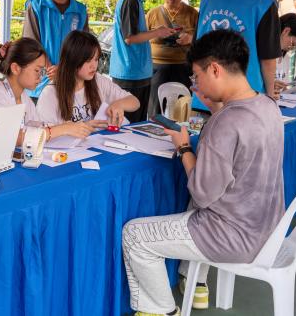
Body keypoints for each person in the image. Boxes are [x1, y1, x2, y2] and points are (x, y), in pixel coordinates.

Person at [122, 30, 285, 316]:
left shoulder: (224, 123)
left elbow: (202, 193)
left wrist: (184, 146)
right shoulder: (267, 106)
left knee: (135, 235)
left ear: (215, 69)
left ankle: (162, 310)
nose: (196, 85)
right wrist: (215, 106)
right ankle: (195, 282)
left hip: (233, 236)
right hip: (268, 227)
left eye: (197, 76)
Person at [194, 0, 282, 111]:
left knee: (204, 130)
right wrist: (271, 96)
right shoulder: (264, 4)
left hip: (205, 96)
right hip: (244, 100)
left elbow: (196, 45)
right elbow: (268, 60)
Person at [0, 37, 100, 142]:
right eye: (37, 70)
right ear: (16, 68)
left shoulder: (24, 99)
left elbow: (36, 128)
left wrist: (67, 126)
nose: (41, 77)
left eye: (42, 71)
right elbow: (12, 138)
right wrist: (62, 129)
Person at [110, 0, 175, 123]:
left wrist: (157, 32)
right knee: (129, 126)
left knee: (137, 124)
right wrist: (157, 32)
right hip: (130, 74)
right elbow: (130, 38)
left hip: (137, 72)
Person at [37, 30, 139, 127]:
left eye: (96, 59)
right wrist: (82, 127)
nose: (94, 66)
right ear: (73, 60)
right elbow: (43, 133)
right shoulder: (50, 93)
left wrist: (118, 104)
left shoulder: (98, 80)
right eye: (88, 60)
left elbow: (135, 102)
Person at [23, 0, 89, 101]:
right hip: (38, 89)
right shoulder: (36, 7)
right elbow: (30, 46)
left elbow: (84, 49)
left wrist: (64, 70)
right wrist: (52, 70)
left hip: (70, 88)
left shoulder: (80, 11)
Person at [146, 0, 198, 117]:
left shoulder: (192, 14)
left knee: (181, 111)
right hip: (156, 69)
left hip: (183, 68)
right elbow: (142, 38)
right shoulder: (153, 14)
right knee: (156, 111)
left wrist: (191, 38)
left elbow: (203, 38)